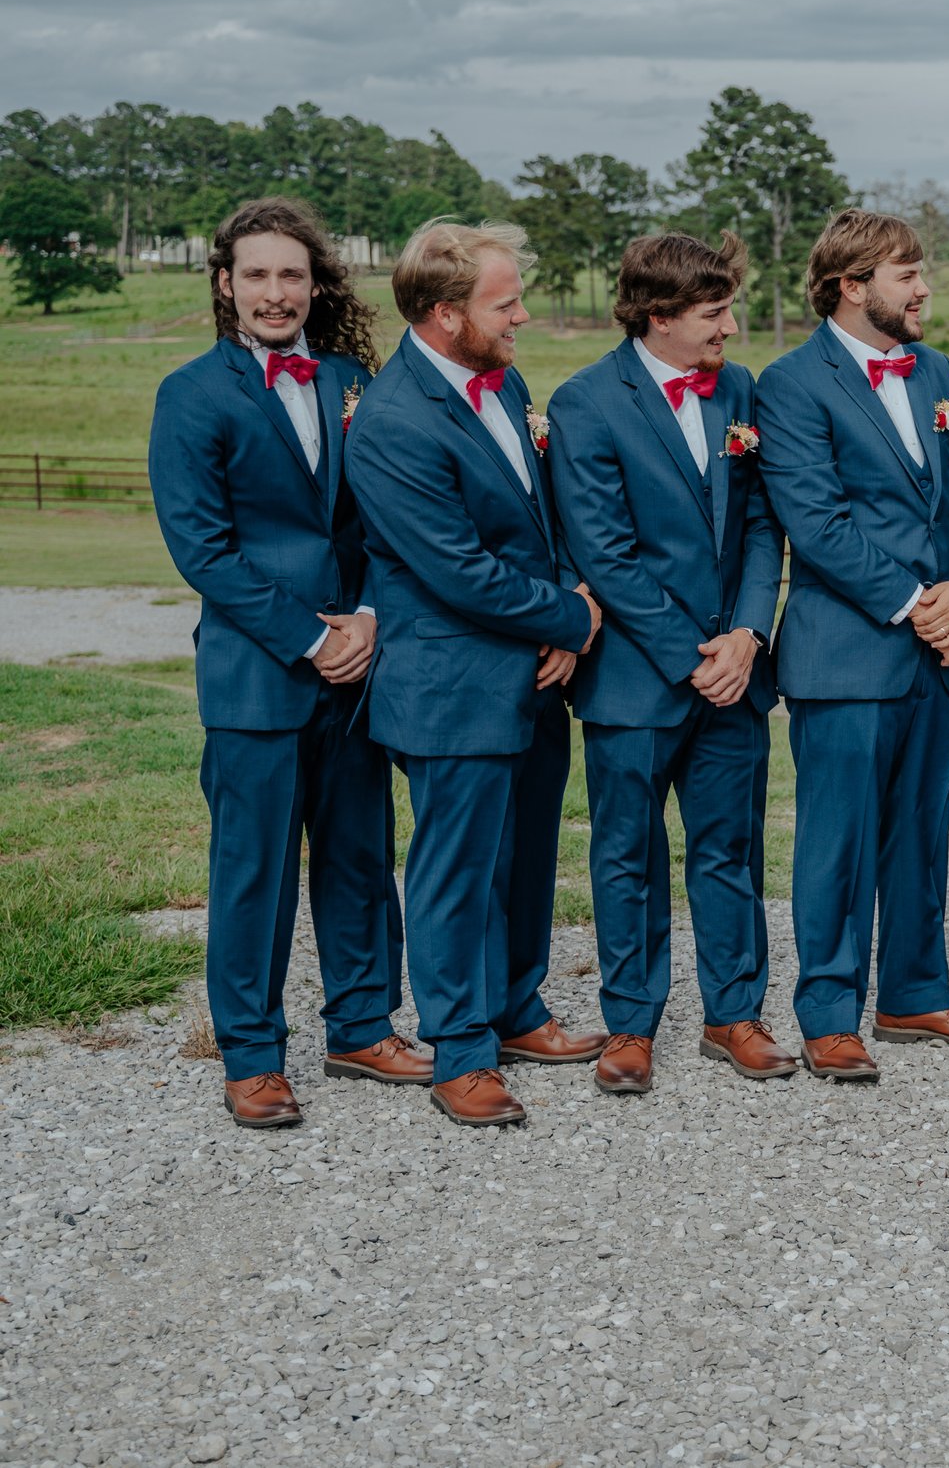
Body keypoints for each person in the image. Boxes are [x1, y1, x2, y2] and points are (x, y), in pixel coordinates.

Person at [148, 198, 424, 1127]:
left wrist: (374, 618)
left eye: (292, 274)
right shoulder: (191, 393)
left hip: (359, 671)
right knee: (253, 870)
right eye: (258, 275)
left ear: (316, 284)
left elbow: (392, 514)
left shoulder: (354, 379)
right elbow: (204, 550)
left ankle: (360, 1025)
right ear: (225, 283)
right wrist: (313, 636)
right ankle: (253, 1054)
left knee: (359, 856)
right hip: (258, 673)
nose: (276, 292)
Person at [344, 220, 605, 1127]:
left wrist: (568, 595)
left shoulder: (506, 382)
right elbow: (455, 569)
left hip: (534, 673)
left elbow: (536, 521)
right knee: (457, 871)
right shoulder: (391, 420)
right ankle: (461, 1048)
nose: (524, 315)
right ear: (447, 314)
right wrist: (574, 616)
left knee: (529, 853)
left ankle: (517, 1006)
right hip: (452, 686)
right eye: (507, 303)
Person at [756, 209, 949, 1082]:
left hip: (943, 650)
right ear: (851, 286)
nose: (924, 286)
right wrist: (917, 604)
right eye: (908, 273)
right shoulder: (790, 384)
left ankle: (913, 993)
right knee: (838, 842)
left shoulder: (936, 369)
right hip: (848, 652)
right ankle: (828, 1013)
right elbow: (815, 523)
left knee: (922, 832)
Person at [545, 231, 792, 1095]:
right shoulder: (585, 402)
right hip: (636, 679)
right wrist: (695, 657)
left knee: (731, 847)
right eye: (714, 312)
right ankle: (630, 1024)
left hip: (735, 671)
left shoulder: (740, 390)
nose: (730, 324)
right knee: (627, 853)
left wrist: (750, 634)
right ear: (659, 316)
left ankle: (734, 1014)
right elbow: (604, 553)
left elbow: (764, 524)